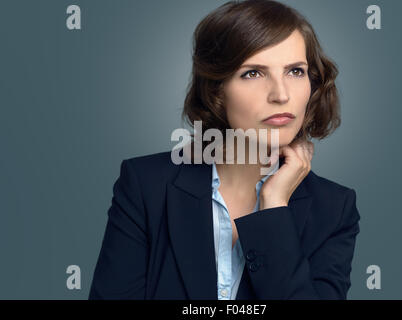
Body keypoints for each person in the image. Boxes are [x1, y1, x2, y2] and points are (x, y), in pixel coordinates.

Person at [88, 0, 360, 300]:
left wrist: (274, 207)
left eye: (295, 71)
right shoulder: (146, 185)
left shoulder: (335, 208)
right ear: (217, 88)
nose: (281, 95)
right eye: (253, 73)